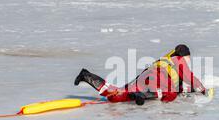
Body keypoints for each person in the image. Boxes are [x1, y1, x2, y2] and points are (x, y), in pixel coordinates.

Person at [74, 44, 207, 105]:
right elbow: (189, 77)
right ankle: (142, 95)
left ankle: (87, 76)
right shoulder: (179, 60)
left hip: (145, 77)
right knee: (169, 93)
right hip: (159, 78)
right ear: (184, 55)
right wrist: (202, 89)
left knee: (117, 94)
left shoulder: (164, 59)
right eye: (188, 57)